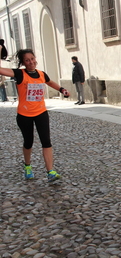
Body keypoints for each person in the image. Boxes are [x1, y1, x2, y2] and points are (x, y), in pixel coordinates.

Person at [0, 49, 70, 181]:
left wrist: (61, 89)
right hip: (24, 115)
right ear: (23, 62)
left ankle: (50, 171)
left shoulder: (41, 74)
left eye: (32, 58)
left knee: (46, 141)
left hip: (41, 113)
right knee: (28, 142)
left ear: (35, 58)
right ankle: (27, 166)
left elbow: (49, 82)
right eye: (27, 60)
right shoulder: (19, 74)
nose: (31, 62)